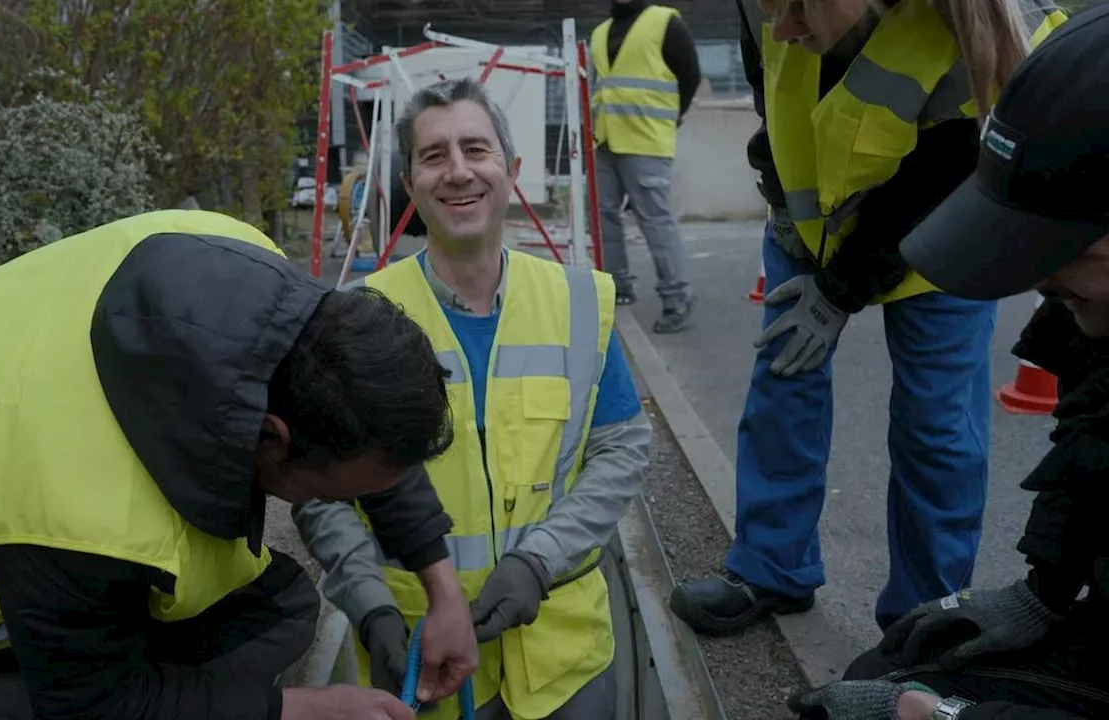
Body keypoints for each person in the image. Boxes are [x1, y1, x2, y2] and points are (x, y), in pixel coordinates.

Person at [0, 209, 479, 720]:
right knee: (204, 645)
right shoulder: (78, 514)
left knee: (272, 609)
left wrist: (442, 592)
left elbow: (369, 434)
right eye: (338, 494)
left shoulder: (231, 258)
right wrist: (295, 710)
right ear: (274, 441)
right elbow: (91, 705)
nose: (350, 503)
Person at [669, 0, 1067, 636]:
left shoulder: (980, 24)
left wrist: (840, 288)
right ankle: (771, 565)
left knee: (937, 427)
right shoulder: (766, 6)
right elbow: (768, 85)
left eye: (799, 9)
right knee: (784, 382)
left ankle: (922, 618)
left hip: (940, 232)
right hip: (809, 221)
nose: (783, 28)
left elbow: (950, 168)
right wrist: (779, 193)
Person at [293, 77, 652, 719]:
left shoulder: (577, 302)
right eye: (434, 156)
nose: (458, 171)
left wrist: (539, 562)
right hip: (419, 655)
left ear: (510, 170)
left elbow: (621, 451)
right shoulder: (357, 317)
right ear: (410, 183)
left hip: (564, 659)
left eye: (475, 150)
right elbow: (324, 493)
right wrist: (368, 600)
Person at [788, 6, 1109, 717]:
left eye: (1063, 252)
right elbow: (1092, 441)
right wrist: (1044, 594)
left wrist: (954, 719)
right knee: (903, 656)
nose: (1038, 284)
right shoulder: (1094, 311)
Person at [590, 0, 703, 333]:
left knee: (654, 218)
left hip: (646, 138)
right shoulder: (599, 33)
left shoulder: (664, 22)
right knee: (602, 215)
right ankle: (617, 286)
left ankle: (677, 298)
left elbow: (690, 75)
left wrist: (673, 115)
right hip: (604, 137)